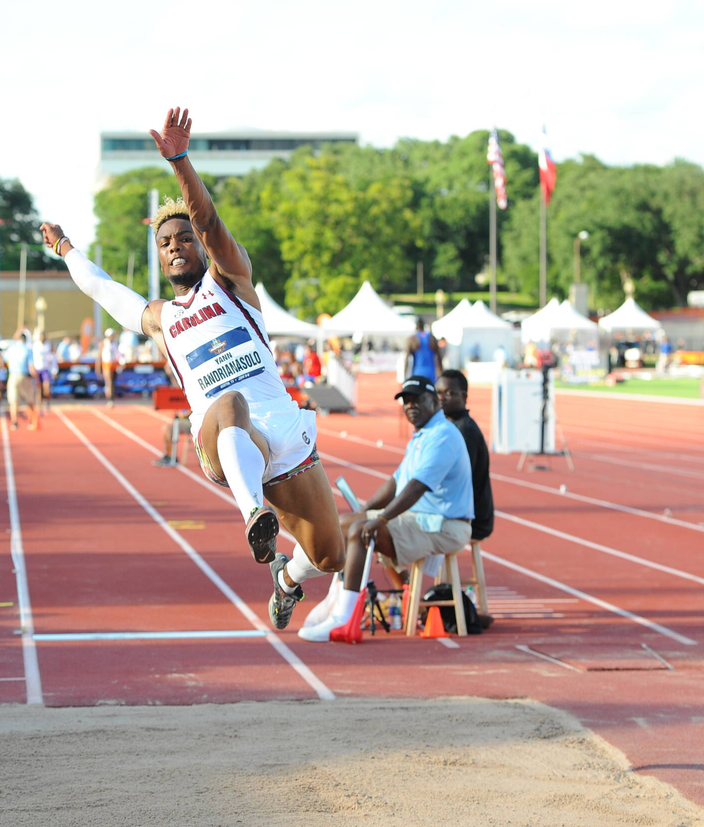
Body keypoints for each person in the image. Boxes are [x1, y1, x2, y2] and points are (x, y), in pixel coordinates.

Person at [40, 106, 344, 630]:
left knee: (330, 556)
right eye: (165, 243)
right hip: (221, 433)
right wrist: (66, 248)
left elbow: (209, 221)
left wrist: (180, 162)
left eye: (183, 239)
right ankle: (255, 517)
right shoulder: (160, 319)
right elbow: (102, 288)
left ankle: (286, 579)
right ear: (159, 257)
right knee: (230, 403)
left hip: (281, 426)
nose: (176, 246)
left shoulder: (231, 280)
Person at [299, 376, 473, 641]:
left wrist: (379, 519)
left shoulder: (443, 435)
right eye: (406, 402)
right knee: (347, 523)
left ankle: (344, 618)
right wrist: (367, 509)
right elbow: (396, 483)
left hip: (445, 525)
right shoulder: (422, 435)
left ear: (435, 402)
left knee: (360, 530)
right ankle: (334, 599)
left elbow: (416, 487)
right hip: (421, 519)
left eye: (418, 400)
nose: (411, 406)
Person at [435, 369, 494, 544]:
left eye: (449, 393)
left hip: (472, 518)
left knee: (400, 527)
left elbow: (456, 481)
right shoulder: (450, 426)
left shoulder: (465, 431)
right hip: (457, 510)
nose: (442, 398)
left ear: (465, 397)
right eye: (438, 393)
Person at [4, 330, 38, 430]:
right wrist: (36, 379)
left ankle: (14, 423)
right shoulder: (28, 350)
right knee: (29, 400)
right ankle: (32, 421)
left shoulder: (11, 349)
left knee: (13, 401)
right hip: (24, 377)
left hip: (13, 376)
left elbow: (5, 361)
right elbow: (31, 366)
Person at [32, 330, 55, 414]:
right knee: (38, 390)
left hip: (45, 370)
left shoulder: (48, 345)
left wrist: (54, 370)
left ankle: (47, 401)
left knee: (46, 389)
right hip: (37, 370)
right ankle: (40, 408)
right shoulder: (35, 345)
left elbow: (53, 358)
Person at [99, 328, 119, 408]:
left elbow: (118, 354)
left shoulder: (116, 343)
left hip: (113, 364)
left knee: (112, 382)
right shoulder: (104, 343)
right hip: (106, 364)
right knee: (109, 382)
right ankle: (110, 399)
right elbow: (99, 355)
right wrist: (98, 367)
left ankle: (111, 398)